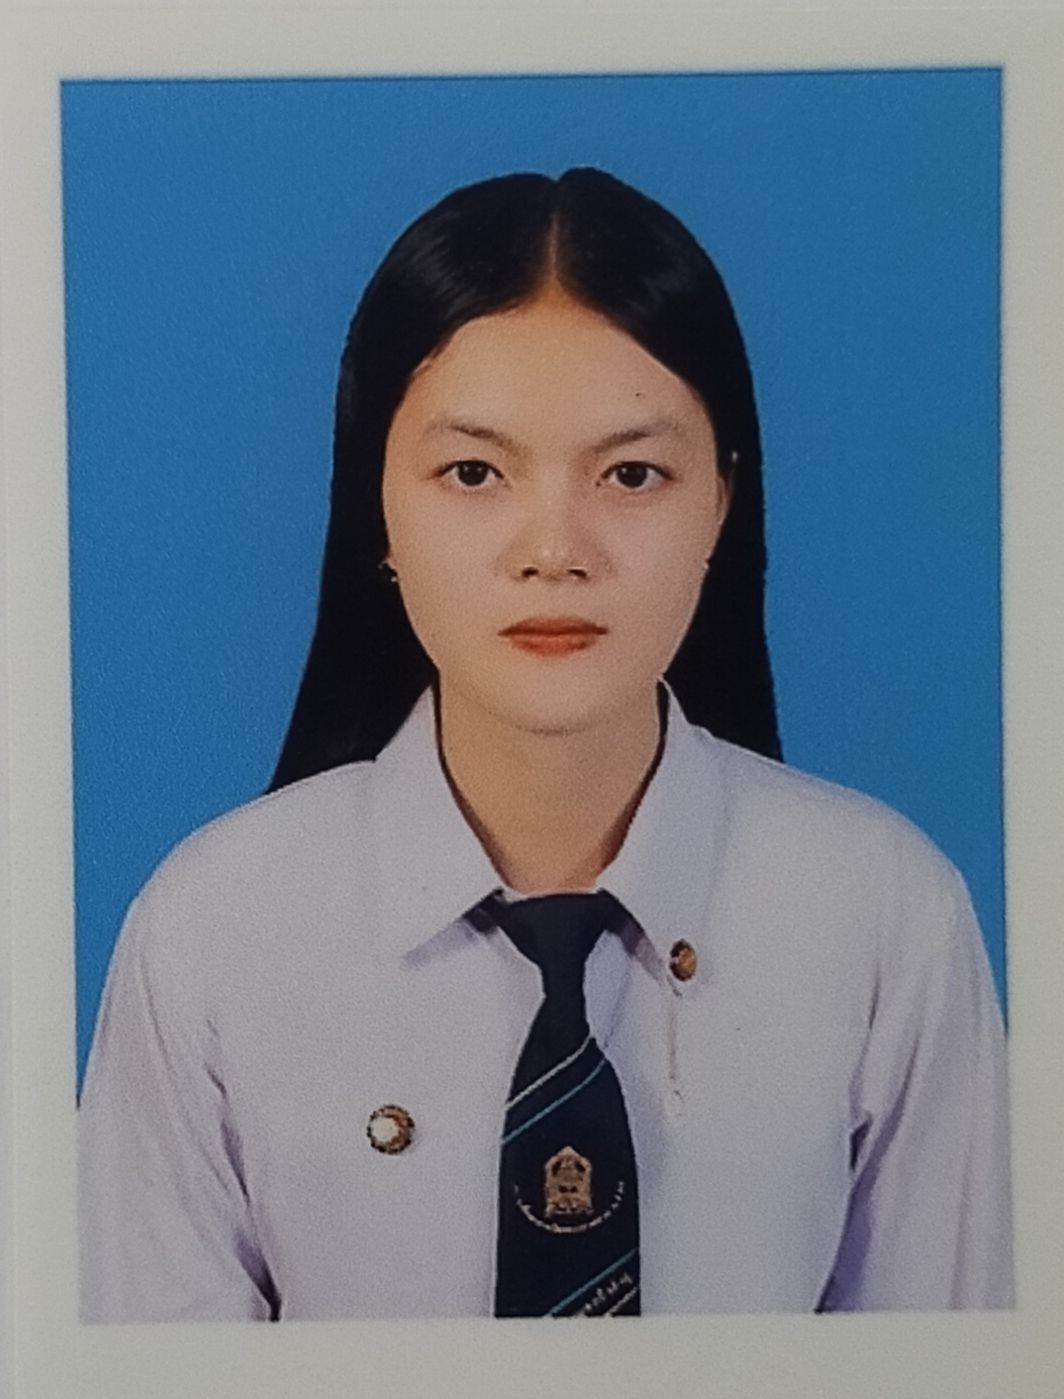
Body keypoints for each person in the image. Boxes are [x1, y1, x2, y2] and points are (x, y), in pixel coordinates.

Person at [78, 168, 1012, 1322]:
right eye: (473, 472)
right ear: (376, 504)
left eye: (631, 473)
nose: (554, 548)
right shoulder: (210, 936)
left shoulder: (884, 919)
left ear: (720, 503)